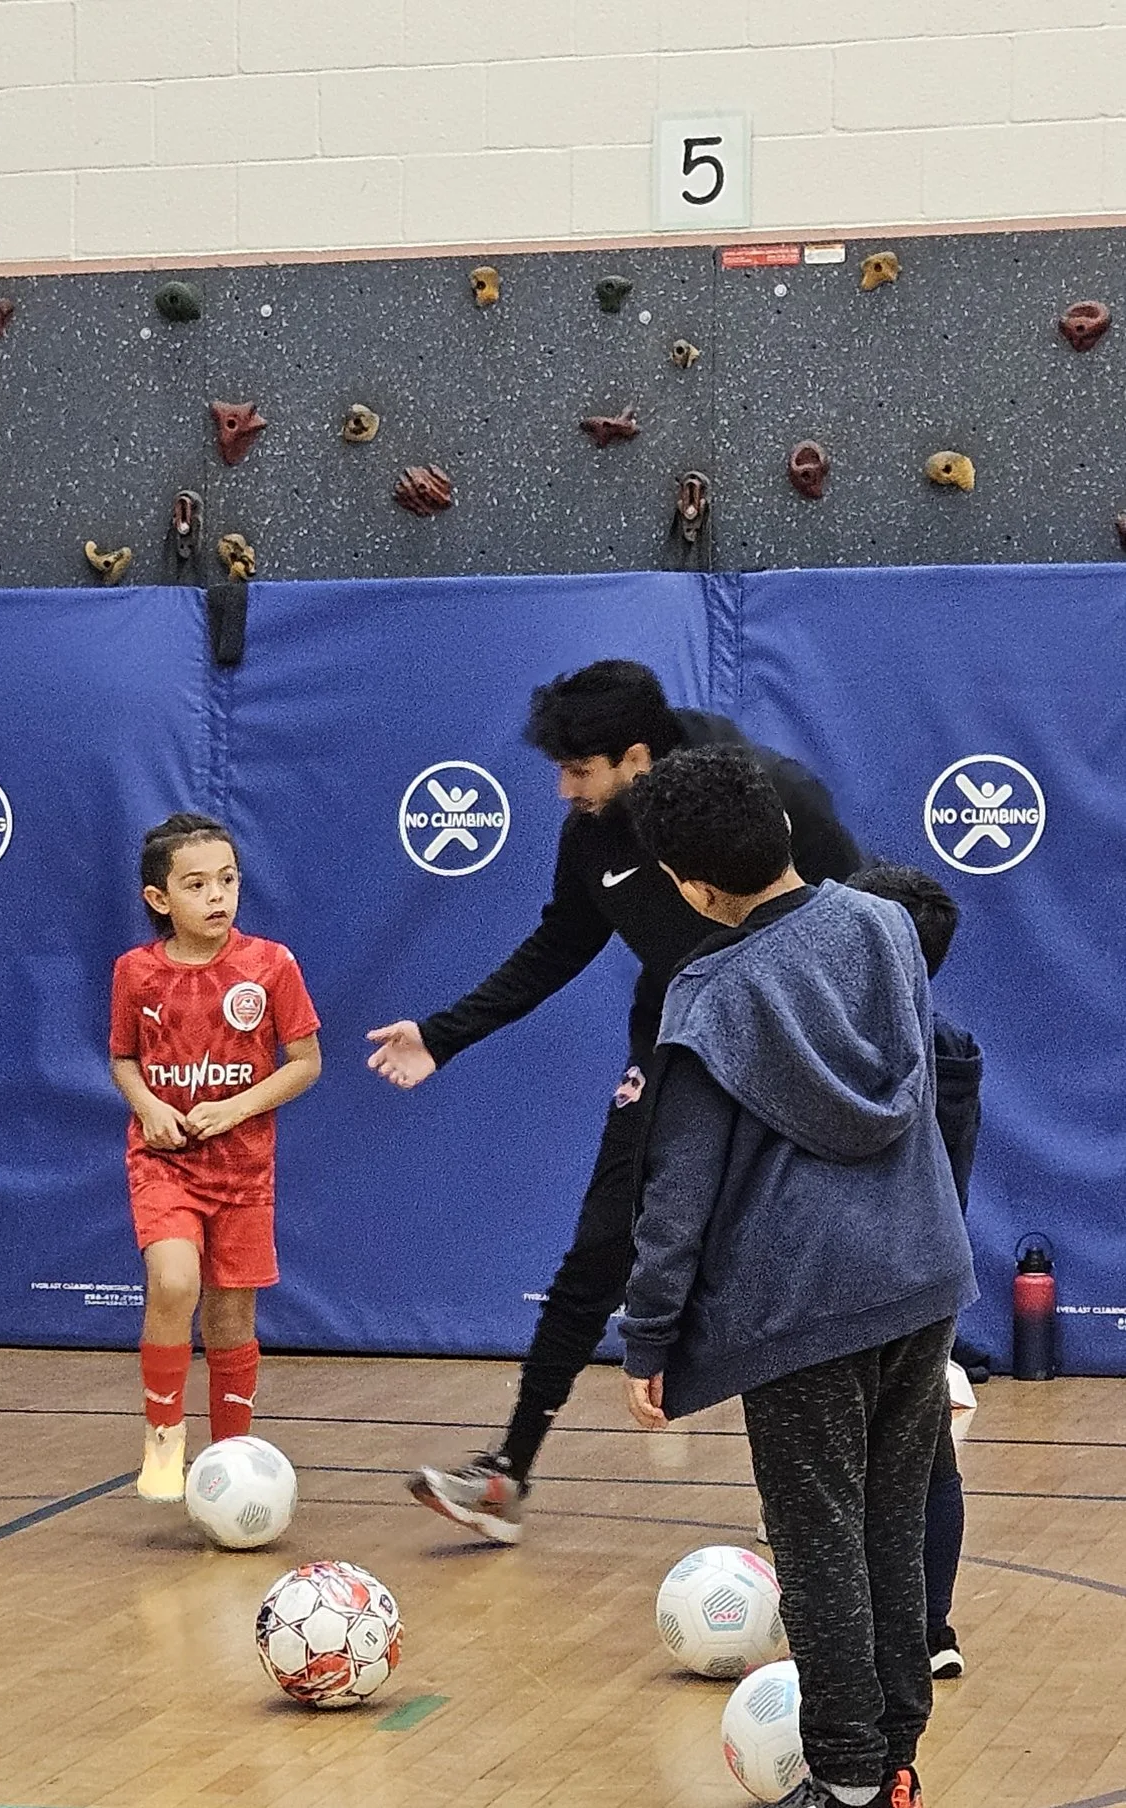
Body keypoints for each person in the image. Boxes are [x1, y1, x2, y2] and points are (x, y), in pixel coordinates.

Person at [367, 658, 859, 1545]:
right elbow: (561, 942)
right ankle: (507, 1477)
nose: (563, 788)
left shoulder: (758, 794)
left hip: (787, 1044)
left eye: (578, 770)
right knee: (600, 1247)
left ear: (637, 756)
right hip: (672, 1044)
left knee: (800, 1265)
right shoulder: (592, 831)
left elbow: (858, 915)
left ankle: (826, 1508)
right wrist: (443, 1033)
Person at [616, 750, 973, 1808]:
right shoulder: (879, 926)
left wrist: (651, 1334)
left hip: (805, 1303)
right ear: (777, 828)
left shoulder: (707, 995)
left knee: (818, 1541)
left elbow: (678, 1191)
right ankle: (894, 1776)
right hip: (922, 1277)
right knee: (887, 1531)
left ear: (688, 883)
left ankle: (850, 1794)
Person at [109, 812, 321, 1499]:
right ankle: (164, 1439)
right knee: (174, 1283)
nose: (217, 896)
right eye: (196, 884)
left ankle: (232, 1458)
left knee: (230, 1316)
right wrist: (149, 1106)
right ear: (159, 899)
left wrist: (235, 1108)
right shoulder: (135, 972)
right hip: (163, 1162)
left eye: (227, 879)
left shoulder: (271, 963)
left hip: (243, 1170)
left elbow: (305, 1063)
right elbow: (123, 1060)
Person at [847, 859, 982, 1680]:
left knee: (835, 1467)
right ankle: (931, 1631)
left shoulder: (857, 1043)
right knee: (928, 1454)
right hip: (933, 1274)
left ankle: (860, 1633)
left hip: (853, 1283)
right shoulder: (952, 1039)